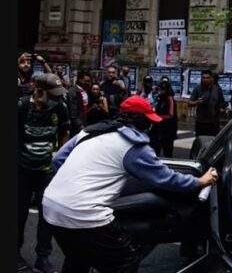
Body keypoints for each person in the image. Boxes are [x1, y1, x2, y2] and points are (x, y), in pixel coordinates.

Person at [41, 96, 218, 273]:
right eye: (148, 121)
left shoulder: (90, 132)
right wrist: (200, 181)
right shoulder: (134, 145)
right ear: (141, 122)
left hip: (51, 206)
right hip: (85, 215)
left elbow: (58, 160)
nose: (150, 126)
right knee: (124, 262)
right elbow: (165, 178)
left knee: (78, 259)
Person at [18, 73, 71, 273]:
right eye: (54, 95)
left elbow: (65, 130)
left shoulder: (60, 107)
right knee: (18, 215)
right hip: (21, 170)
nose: (57, 99)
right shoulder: (22, 106)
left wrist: (59, 156)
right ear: (40, 91)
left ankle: (43, 257)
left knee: (46, 216)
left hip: (47, 172)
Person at [188, 69, 227, 137]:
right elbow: (189, 103)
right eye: (203, 78)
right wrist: (197, 102)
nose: (205, 80)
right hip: (201, 122)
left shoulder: (217, 89)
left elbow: (222, 102)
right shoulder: (197, 89)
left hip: (214, 122)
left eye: (207, 78)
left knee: (212, 143)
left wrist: (222, 108)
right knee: (200, 142)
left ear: (211, 78)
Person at [150, 78, 177, 157]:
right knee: (155, 150)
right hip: (158, 128)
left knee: (167, 152)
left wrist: (158, 117)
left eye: (164, 89)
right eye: (161, 89)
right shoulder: (159, 97)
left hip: (168, 129)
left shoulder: (170, 98)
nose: (162, 91)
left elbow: (171, 114)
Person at [67, 71, 91, 135]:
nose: (87, 83)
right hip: (78, 124)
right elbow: (72, 109)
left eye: (89, 81)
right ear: (80, 79)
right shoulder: (73, 91)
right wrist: (79, 124)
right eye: (85, 81)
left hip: (86, 120)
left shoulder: (87, 90)